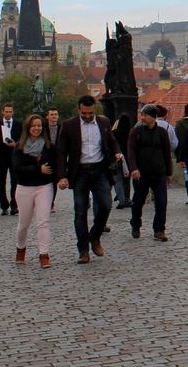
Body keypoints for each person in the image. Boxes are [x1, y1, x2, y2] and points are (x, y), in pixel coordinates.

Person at [56, 95, 124, 264]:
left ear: (95, 109)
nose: (87, 116)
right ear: (78, 109)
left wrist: (117, 152)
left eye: (90, 113)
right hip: (79, 172)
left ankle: (94, 236)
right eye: (84, 113)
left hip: (100, 169)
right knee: (80, 211)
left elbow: (111, 142)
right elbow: (61, 152)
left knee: (106, 205)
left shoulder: (104, 122)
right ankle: (83, 250)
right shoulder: (68, 125)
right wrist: (61, 176)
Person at [12, 114, 57, 269]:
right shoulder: (19, 147)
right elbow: (18, 169)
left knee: (43, 221)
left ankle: (44, 254)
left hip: (44, 186)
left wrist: (62, 179)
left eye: (39, 126)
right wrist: (38, 168)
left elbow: (55, 166)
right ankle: (20, 248)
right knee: (24, 224)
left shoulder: (49, 147)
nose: (37, 128)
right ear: (28, 128)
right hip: (24, 187)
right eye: (34, 126)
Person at [128, 105, 173, 241]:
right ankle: (136, 225)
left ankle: (159, 230)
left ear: (153, 117)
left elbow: (166, 152)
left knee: (161, 201)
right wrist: (134, 168)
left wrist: (169, 172)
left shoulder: (162, 132)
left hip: (159, 172)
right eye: (142, 115)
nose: (142, 118)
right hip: (141, 173)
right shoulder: (136, 132)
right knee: (138, 201)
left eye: (145, 115)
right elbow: (131, 152)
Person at [0, 103, 22, 215]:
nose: (8, 113)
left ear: (13, 112)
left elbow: (22, 140)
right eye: (6, 111)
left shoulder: (18, 124)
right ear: (2, 112)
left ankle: (14, 205)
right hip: (1, 156)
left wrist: (16, 144)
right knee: (1, 182)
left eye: (10, 111)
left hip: (14, 157)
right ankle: (4, 205)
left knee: (15, 181)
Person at [111, 114, 133, 209]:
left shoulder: (114, 133)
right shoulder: (131, 132)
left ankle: (120, 197)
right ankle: (126, 197)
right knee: (127, 179)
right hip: (129, 157)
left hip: (117, 157)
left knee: (118, 179)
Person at [174, 104, 188, 205]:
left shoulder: (179, 124)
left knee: (187, 177)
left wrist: (179, 157)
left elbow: (176, 142)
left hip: (184, 155)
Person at [46, 107, 61, 212]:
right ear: (47, 116)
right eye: (51, 114)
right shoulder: (43, 128)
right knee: (46, 181)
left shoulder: (62, 128)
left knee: (54, 181)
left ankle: (51, 202)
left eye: (55, 114)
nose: (54, 116)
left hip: (57, 157)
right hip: (46, 157)